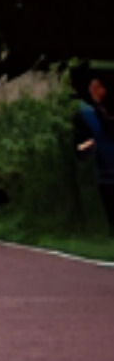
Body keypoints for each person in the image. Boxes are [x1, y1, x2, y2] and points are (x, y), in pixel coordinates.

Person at [76, 70, 114, 237]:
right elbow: (80, 147)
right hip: (106, 173)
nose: (97, 91)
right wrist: (91, 144)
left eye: (100, 87)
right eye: (94, 88)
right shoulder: (86, 115)